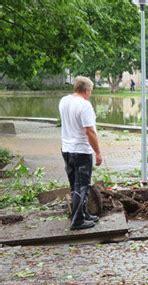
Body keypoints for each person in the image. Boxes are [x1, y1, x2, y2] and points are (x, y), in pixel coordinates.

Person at [59, 76, 103, 230]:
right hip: (81, 151)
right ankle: (77, 221)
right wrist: (97, 152)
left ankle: (83, 214)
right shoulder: (84, 105)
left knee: (74, 185)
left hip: (66, 149)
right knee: (82, 185)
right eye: (90, 91)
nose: (90, 94)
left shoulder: (64, 101)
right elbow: (89, 131)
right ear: (86, 90)